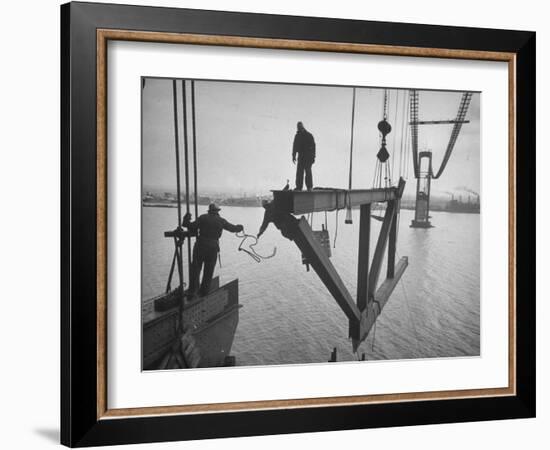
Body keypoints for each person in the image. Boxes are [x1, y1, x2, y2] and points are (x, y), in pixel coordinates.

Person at [182, 203, 243, 297]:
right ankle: (203, 292)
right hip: (213, 248)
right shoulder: (221, 221)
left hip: (200, 246)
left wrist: (186, 219)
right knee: (208, 271)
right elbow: (233, 229)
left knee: (195, 269)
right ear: (217, 211)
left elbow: (189, 226)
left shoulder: (202, 218)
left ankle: (192, 291)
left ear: (209, 211)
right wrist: (240, 227)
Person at [292, 121, 316, 191]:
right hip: (301, 156)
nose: (299, 128)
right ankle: (299, 187)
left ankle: (309, 186)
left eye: (300, 127)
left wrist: (313, 157)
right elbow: (295, 146)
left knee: (308, 172)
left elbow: (313, 147)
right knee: (299, 172)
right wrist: (293, 156)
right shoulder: (297, 136)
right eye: (298, 127)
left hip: (308, 157)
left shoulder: (309, 135)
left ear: (302, 127)